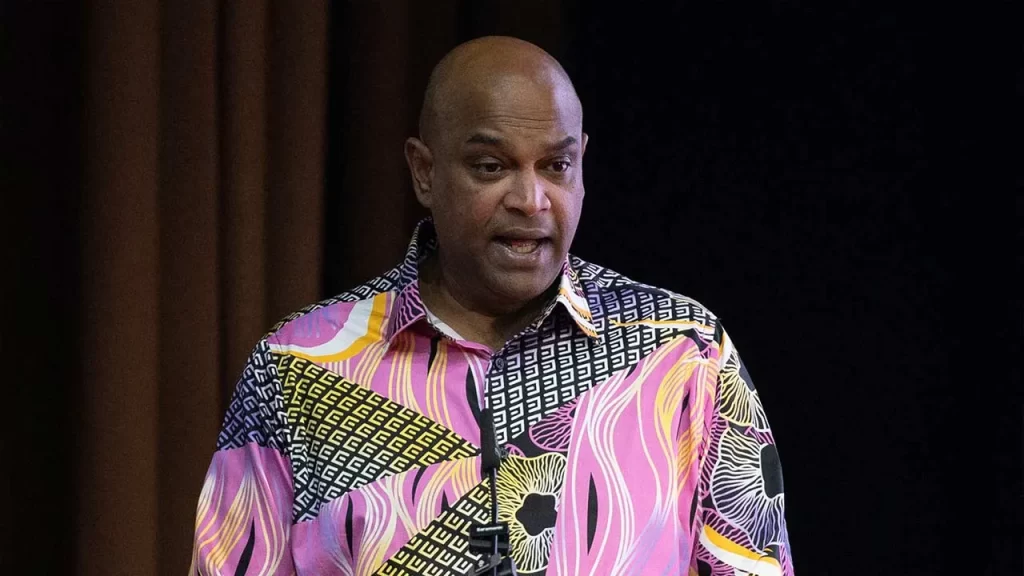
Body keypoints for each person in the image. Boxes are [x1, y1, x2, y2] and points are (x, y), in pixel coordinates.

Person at [190, 35, 794, 576]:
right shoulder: (295, 367)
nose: (531, 199)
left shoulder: (684, 352)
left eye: (556, 166)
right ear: (424, 173)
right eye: (491, 166)